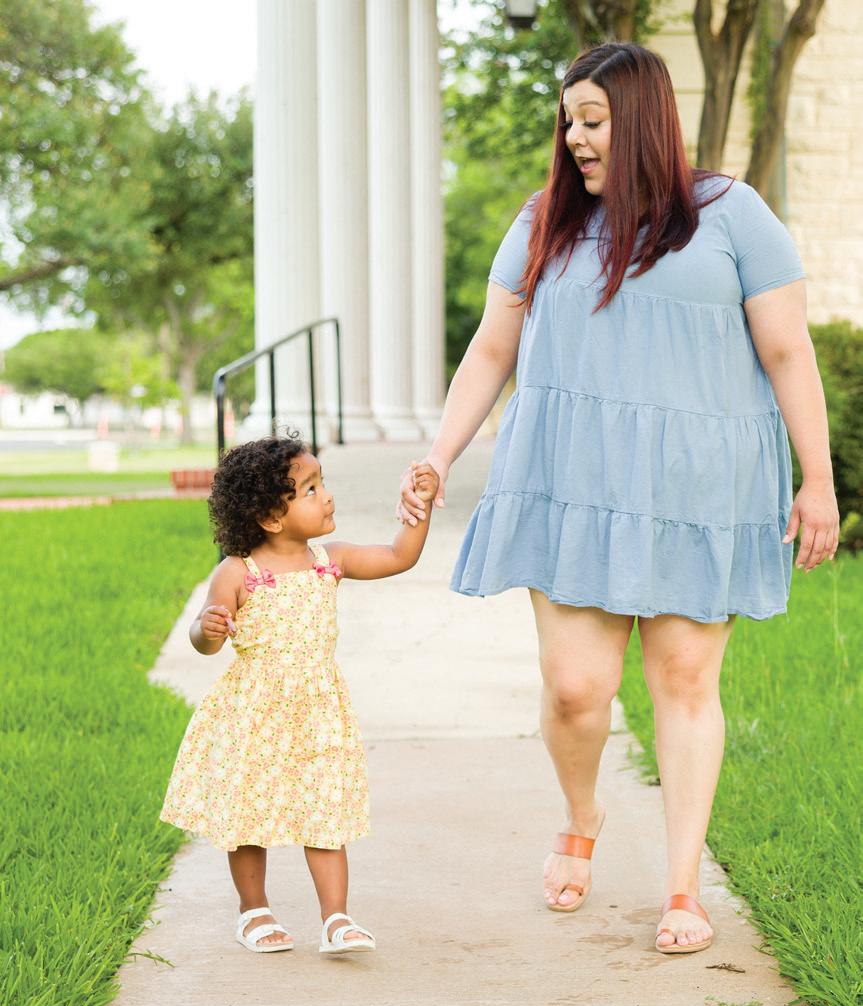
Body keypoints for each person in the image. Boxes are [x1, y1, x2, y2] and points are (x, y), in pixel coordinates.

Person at [398, 42, 839, 955]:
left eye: (592, 120)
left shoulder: (733, 216)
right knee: (575, 690)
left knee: (683, 680)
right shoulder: (544, 221)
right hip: (572, 483)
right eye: (568, 121)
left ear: (641, 119)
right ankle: (581, 814)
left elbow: (786, 351)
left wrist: (817, 478)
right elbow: (492, 347)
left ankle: (681, 887)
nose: (575, 138)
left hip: (697, 490)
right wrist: (438, 453)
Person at [161, 434, 439, 955]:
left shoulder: (330, 560)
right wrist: (208, 626)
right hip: (254, 714)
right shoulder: (237, 573)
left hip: (318, 712)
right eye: (310, 489)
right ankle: (254, 910)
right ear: (271, 517)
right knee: (248, 815)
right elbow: (205, 640)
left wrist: (418, 507)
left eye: (322, 483)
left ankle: (337, 918)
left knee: (326, 812)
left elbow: (399, 556)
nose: (327, 496)